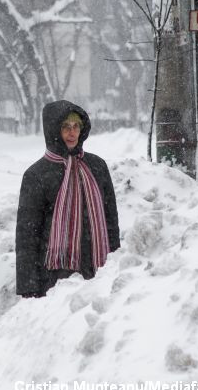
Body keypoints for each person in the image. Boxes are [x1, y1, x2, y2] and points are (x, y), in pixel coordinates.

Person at [16, 100, 120, 298]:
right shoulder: (37, 174)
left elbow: (110, 221)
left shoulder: (97, 167)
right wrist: (29, 287)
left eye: (76, 127)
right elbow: (27, 236)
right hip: (56, 276)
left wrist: (116, 263)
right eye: (65, 127)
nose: (72, 133)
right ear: (53, 130)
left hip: (98, 270)